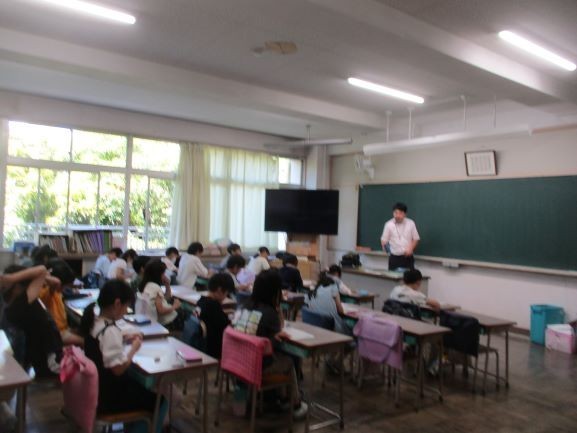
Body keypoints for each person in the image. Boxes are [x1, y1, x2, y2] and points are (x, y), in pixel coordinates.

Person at [80, 280, 166, 432]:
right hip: (110, 398)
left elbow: (103, 343)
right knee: (160, 401)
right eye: (126, 307)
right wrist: (133, 349)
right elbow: (118, 369)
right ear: (117, 304)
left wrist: (123, 337)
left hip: (98, 391)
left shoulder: (94, 322)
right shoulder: (110, 331)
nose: (126, 311)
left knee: (139, 386)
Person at [233, 269, 307, 418]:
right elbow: (280, 328)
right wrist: (277, 308)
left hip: (238, 360)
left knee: (281, 356)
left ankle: (276, 397)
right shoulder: (270, 313)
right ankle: (294, 403)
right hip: (256, 365)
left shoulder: (244, 305)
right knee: (289, 360)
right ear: (276, 292)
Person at [1, 265, 63, 377]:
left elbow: (51, 278)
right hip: (45, 354)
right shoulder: (21, 303)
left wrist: (11, 278)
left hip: (43, 352)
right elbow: (42, 270)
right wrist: (12, 278)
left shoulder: (14, 302)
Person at [39, 258, 84, 346]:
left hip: (64, 330)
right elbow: (56, 282)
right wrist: (45, 275)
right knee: (86, 342)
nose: (63, 289)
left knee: (87, 333)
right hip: (57, 333)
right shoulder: (46, 291)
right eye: (63, 286)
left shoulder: (56, 292)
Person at [139, 260, 187, 331]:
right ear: (158, 274)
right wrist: (175, 306)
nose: (165, 276)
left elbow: (166, 299)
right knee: (186, 313)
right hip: (168, 322)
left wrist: (167, 285)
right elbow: (161, 310)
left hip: (157, 320)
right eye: (163, 273)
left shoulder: (146, 285)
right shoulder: (155, 288)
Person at [196, 273, 234, 359]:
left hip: (200, 344)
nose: (226, 297)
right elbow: (227, 327)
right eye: (226, 293)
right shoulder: (213, 306)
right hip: (213, 350)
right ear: (219, 290)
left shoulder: (201, 301)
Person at [380, 202, 420, 271]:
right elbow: (384, 240)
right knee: (392, 277)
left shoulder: (411, 223)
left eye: (400, 213)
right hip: (394, 258)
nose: (397, 215)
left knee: (409, 277)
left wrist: (411, 248)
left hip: (408, 258)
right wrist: (388, 251)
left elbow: (416, 239)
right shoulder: (388, 224)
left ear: (405, 214)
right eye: (395, 213)